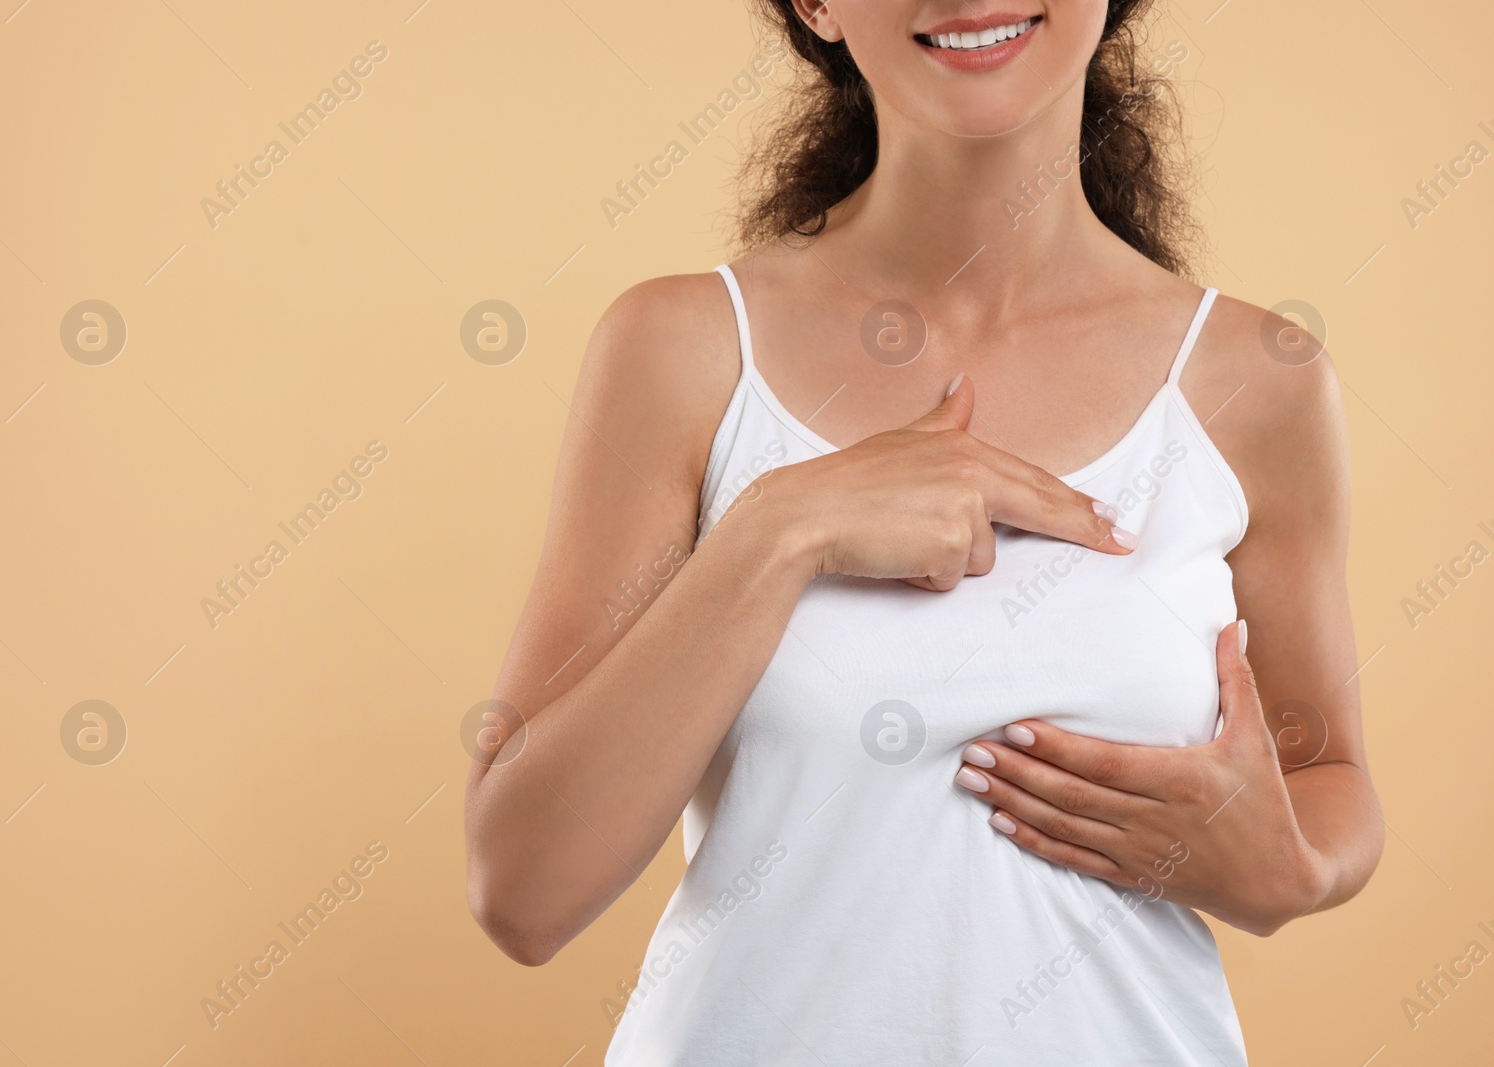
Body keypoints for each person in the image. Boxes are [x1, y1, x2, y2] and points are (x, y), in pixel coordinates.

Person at [465, 1, 1383, 1062]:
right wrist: (783, 524)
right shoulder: (680, 352)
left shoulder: (1256, 383)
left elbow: (1332, 774)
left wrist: (1296, 867)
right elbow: (521, 889)